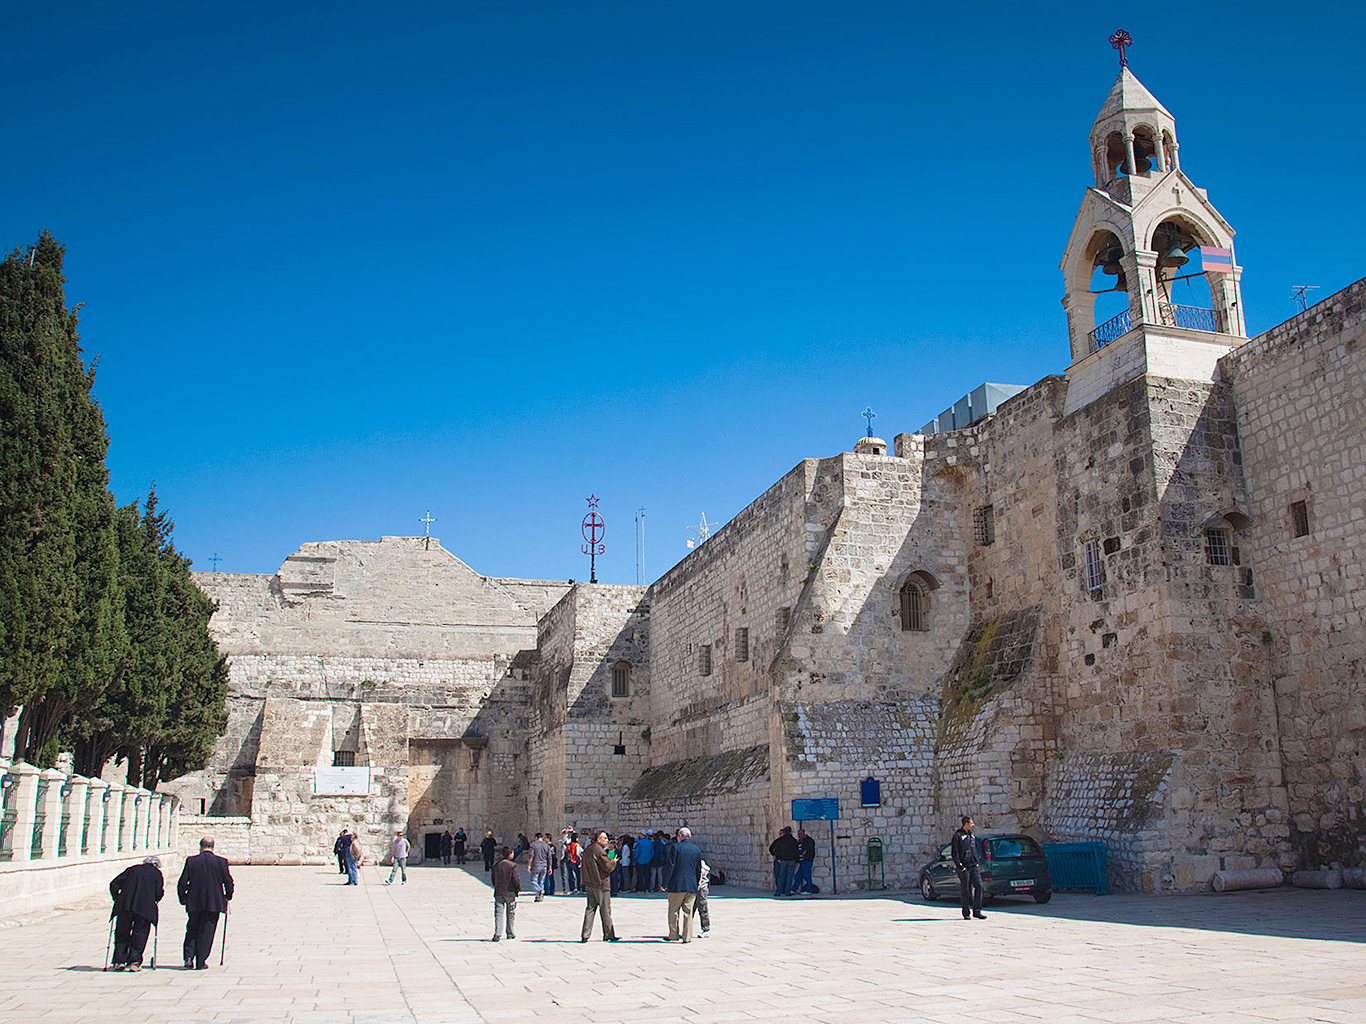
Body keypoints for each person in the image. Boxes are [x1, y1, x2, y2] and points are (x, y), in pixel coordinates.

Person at [177, 837, 234, 970]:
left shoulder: (192, 861)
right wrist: (228, 896)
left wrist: (183, 898)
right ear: (213, 847)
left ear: (200, 846)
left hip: (194, 902)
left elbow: (182, 882)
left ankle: (189, 957)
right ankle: (201, 960)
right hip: (214, 903)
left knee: (192, 929)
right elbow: (228, 882)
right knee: (207, 932)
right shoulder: (221, 862)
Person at [108, 856, 164, 971]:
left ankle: (119, 961)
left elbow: (114, 884)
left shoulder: (132, 870)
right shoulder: (156, 874)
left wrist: (117, 898)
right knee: (140, 934)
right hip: (144, 909)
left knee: (122, 932)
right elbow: (159, 893)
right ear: (156, 865)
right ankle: (134, 962)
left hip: (125, 906)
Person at [664, 827, 703, 942]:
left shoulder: (675, 848)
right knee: (688, 912)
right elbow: (698, 869)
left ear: (680, 836)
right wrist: (696, 883)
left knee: (673, 911)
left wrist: (665, 883)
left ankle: (673, 934)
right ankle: (687, 936)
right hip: (691, 885)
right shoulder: (696, 850)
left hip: (677, 885)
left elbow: (671, 866)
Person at [580, 830, 619, 942]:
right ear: (599, 839)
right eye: (605, 838)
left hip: (589, 883)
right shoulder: (599, 851)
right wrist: (613, 862)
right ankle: (608, 934)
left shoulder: (588, 849)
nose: (607, 841)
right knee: (605, 910)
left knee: (590, 909)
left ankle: (585, 935)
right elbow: (607, 866)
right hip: (600, 884)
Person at [952, 815, 985, 920]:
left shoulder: (972, 836)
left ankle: (977, 910)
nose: (973, 825)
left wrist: (977, 861)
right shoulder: (958, 836)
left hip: (974, 865)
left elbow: (975, 849)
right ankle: (966, 912)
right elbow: (955, 852)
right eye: (971, 823)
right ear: (966, 824)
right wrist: (960, 866)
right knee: (966, 889)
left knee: (979, 886)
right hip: (964, 867)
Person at [491, 846, 520, 941]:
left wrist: (497, 886)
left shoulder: (497, 865)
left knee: (498, 913)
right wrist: (517, 889)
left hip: (499, 891)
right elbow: (515, 879)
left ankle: (497, 933)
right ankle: (510, 932)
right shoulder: (513, 866)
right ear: (509, 854)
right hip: (510, 892)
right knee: (510, 913)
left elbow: (493, 879)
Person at [768, 826, 799, 897]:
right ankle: (787, 891)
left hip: (782, 860)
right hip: (791, 860)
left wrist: (777, 857)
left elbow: (776, 849)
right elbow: (796, 851)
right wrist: (796, 860)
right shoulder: (793, 841)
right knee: (789, 877)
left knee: (781, 876)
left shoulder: (780, 840)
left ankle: (778, 891)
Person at [529, 832, 553, 901]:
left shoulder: (533, 845)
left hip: (536, 865)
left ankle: (539, 890)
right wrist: (550, 867)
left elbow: (531, 856)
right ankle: (538, 897)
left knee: (533, 880)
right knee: (541, 881)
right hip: (544, 865)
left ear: (536, 838)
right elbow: (549, 857)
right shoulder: (546, 845)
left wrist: (529, 865)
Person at [693, 857, 711, 937]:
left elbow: (699, 880)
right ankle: (687, 929)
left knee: (702, 909)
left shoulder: (701, 867)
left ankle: (705, 929)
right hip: (698, 889)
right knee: (690, 910)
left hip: (700, 890)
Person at [795, 828, 816, 894]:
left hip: (807, 860)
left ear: (804, 833)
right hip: (801, 861)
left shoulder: (808, 841)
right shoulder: (799, 842)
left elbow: (808, 849)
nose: (799, 835)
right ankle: (794, 888)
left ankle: (808, 889)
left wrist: (804, 853)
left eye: (800, 834)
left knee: (807, 875)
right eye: (798, 834)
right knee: (798, 876)